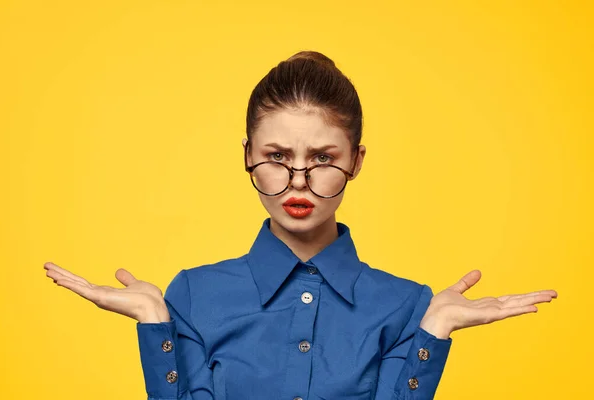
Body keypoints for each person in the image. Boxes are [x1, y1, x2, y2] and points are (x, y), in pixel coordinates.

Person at [43, 50, 558, 400]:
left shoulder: (407, 307)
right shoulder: (194, 294)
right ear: (247, 155)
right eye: (276, 155)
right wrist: (157, 323)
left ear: (356, 161)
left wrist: (433, 330)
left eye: (322, 157)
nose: (298, 180)